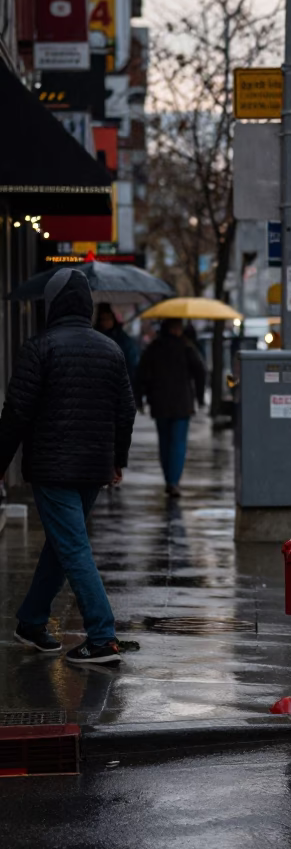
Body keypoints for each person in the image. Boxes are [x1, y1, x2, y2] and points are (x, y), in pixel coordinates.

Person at [0, 269, 136, 666]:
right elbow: (125, 411)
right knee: (62, 547)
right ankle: (31, 620)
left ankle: (102, 635)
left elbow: (16, 413)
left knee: (72, 547)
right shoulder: (110, 349)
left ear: (53, 304)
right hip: (93, 469)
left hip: (53, 467)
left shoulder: (39, 347)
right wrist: (117, 461)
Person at [136, 318, 206, 497]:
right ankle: (173, 481)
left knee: (165, 442)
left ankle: (169, 478)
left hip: (160, 403)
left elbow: (141, 374)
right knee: (178, 443)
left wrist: (140, 398)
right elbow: (200, 371)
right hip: (182, 403)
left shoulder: (154, 348)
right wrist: (199, 397)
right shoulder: (186, 347)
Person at [95, 302, 139, 397]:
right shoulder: (94, 338)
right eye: (103, 319)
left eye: (108, 318)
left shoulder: (123, 339)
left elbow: (132, 363)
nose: (106, 322)